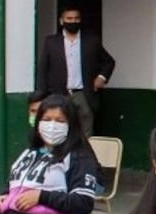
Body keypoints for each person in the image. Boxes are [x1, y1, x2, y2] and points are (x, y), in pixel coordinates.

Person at [0, 94, 97, 214]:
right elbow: (14, 183)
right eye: (46, 119)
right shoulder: (31, 152)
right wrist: (4, 195)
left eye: (60, 121)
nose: (52, 125)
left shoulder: (79, 157)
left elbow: (83, 202)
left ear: (71, 124)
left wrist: (42, 196)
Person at [36, 5, 115, 137]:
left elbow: (109, 62)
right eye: (69, 18)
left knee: (86, 132)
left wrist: (101, 77)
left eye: (76, 18)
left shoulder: (91, 41)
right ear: (62, 21)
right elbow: (43, 70)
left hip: (83, 95)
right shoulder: (51, 42)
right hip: (59, 95)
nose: (73, 21)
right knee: (60, 131)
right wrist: (42, 96)